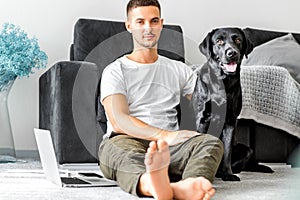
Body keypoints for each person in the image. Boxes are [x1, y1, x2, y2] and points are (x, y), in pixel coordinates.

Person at [98, 0, 224, 199]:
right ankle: (152, 185)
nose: (148, 28)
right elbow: (118, 120)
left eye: (154, 21)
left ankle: (189, 185)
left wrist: (223, 72)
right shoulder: (115, 70)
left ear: (161, 24)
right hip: (125, 141)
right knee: (124, 157)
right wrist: (164, 135)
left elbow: (206, 102)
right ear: (129, 25)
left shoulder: (179, 69)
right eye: (140, 22)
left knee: (210, 143)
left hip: (169, 148)